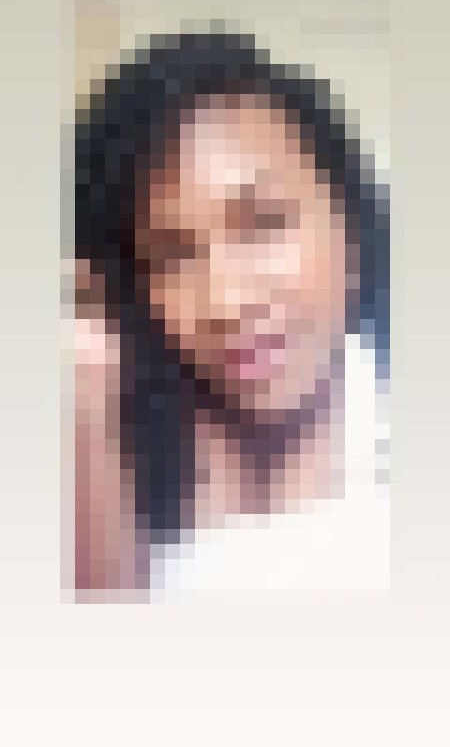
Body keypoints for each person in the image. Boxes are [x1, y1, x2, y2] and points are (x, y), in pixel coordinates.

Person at [74, 31, 389, 595]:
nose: (226, 303)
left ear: (350, 218)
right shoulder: (114, 440)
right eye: (170, 255)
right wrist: (87, 426)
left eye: (264, 224)